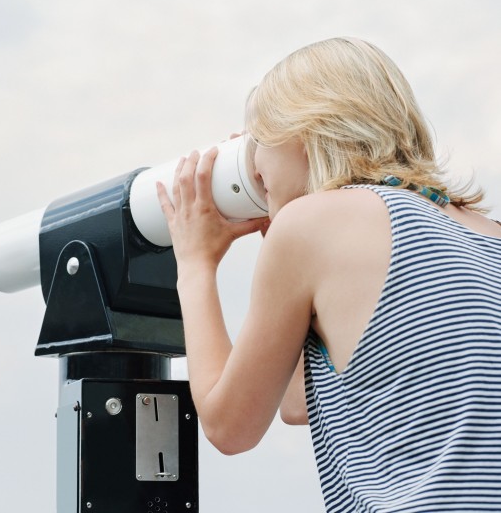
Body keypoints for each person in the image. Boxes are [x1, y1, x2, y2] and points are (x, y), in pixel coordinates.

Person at [156, 37, 501, 511]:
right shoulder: (488, 233)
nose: (253, 165)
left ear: (304, 130)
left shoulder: (313, 225)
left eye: (257, 140)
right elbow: (297, 405)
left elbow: (229, 425)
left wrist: (195, 265)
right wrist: (291, 274)